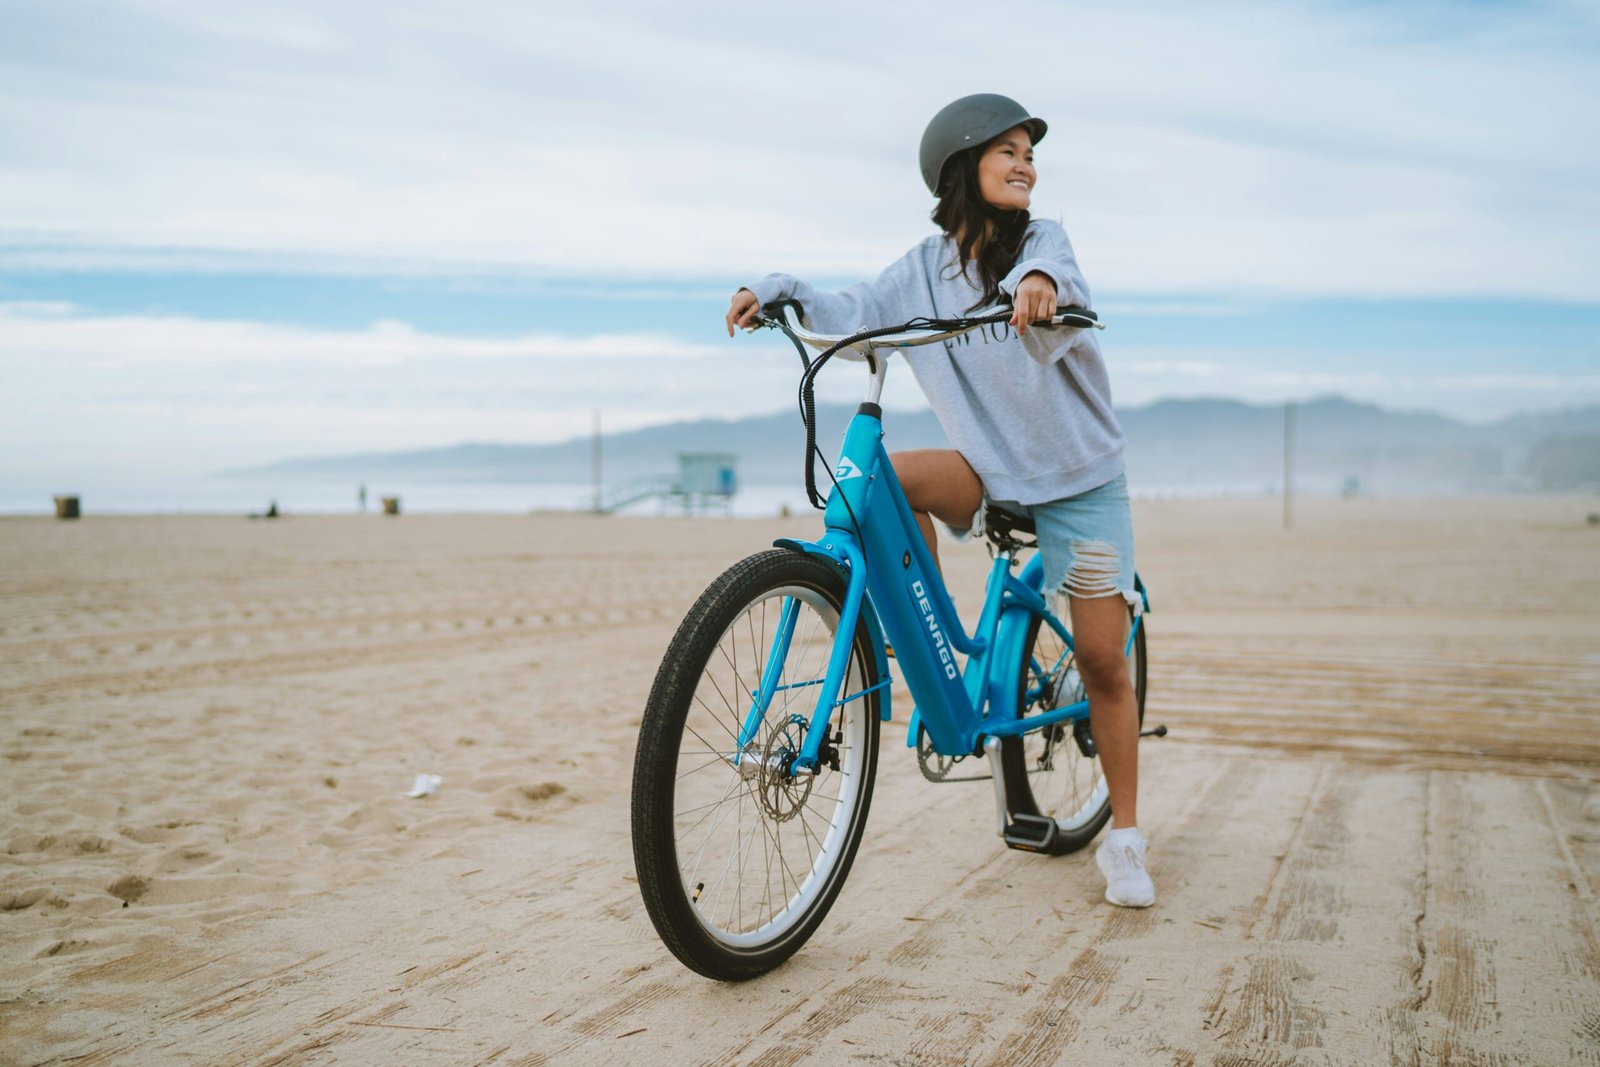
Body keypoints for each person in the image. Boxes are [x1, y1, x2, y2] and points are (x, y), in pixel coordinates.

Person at [724, 93, 1154, 908]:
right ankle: (917, 632)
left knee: (1101, 662)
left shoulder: (1043, 243)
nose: (1027, 163)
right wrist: (775, 290)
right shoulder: (922, 269)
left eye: (1030, 152)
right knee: (878, 480)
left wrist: (1035, 291)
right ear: (963, 168)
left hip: (1080, 478)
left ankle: (1125, 839)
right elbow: (853, 311)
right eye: (1009, 151)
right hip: (992, 469)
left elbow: (1053, 276)